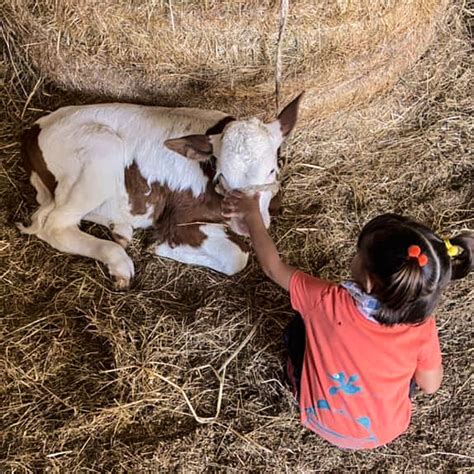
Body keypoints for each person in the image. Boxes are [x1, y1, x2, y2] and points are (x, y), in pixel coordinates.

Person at [222, 192, 473, 450]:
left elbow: (273, 268)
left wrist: (252, 214)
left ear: (367, 280)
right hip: (383, 432)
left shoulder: (324, 300)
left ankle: (295, 377)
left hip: (319, 419)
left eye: (359, 253)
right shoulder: (422, 326)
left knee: (300, 324)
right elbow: (430, 386)